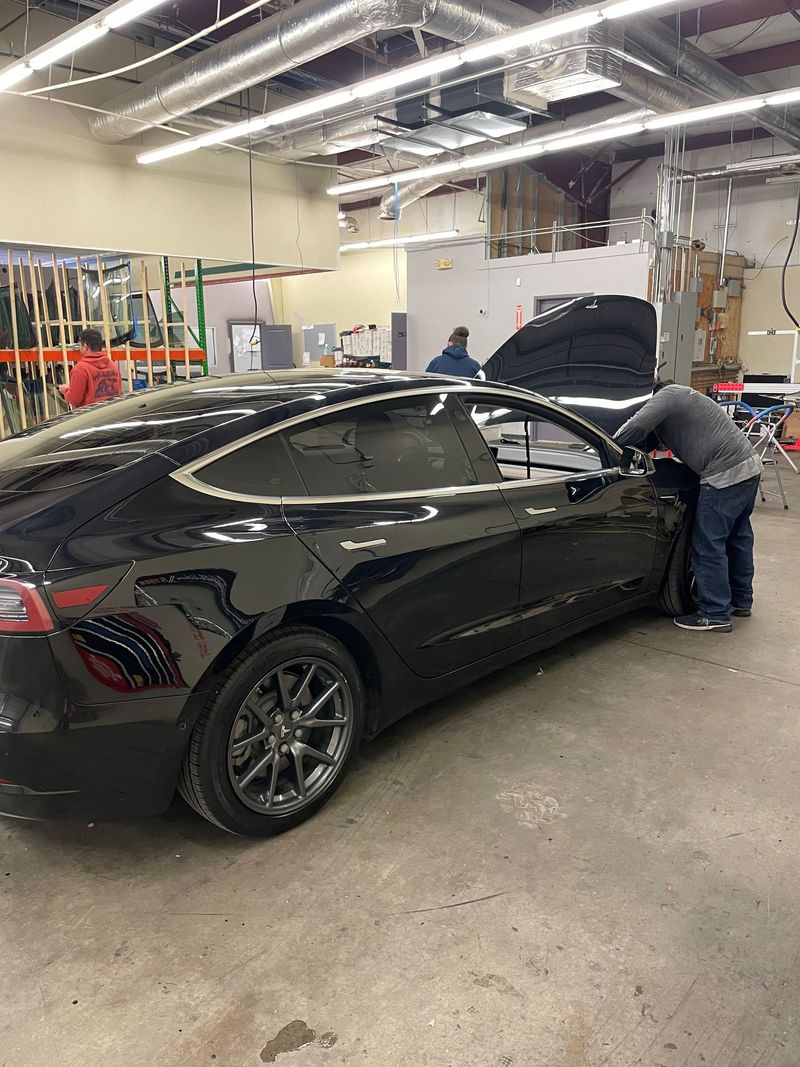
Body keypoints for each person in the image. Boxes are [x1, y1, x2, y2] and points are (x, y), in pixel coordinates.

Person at [614, 380, 762, 634]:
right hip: (748, 467)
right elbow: (647, 441)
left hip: (723, 474)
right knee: (737, 538)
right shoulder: (685, 398)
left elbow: (637, 426)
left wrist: (610, 446)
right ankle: (741, 600)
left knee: (707, 545)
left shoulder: (668, 395)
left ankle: (715, 613)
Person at [59, 328, 122, 408]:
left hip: (91, 417)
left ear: (85, 346)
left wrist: (66, 391)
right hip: (112, 414)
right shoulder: (114, 366)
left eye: (80, 344)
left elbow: (74, 399)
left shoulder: (81, 369)